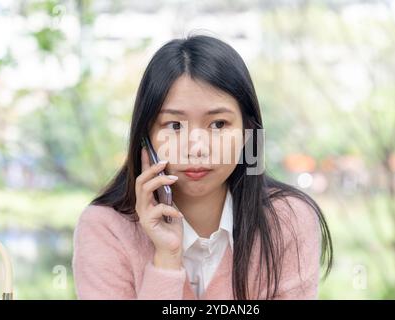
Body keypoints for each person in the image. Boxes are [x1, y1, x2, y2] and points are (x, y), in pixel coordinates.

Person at [72, 34, 333, 300]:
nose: (196, 148)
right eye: (174, 126)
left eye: (218, 124)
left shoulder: (288, 219)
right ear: (145, 137)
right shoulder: (105, 228)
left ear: (248, 132)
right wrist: (166, 259)